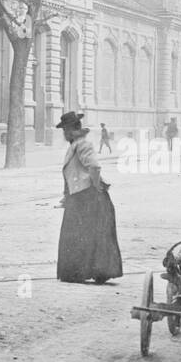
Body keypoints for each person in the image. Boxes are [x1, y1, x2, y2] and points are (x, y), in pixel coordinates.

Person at [55, 111, 123, 284]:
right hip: (77, 196)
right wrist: (66, 195)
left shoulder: (83, 145)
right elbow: (70, 174)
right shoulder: (74, 146)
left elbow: (94, 167)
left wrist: (96, 186)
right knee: (79, 234)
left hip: (88, 196)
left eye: (65, 130)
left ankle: (95, 270)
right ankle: (78, 271)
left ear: (72, 130)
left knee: (87, 234)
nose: (64, 133)